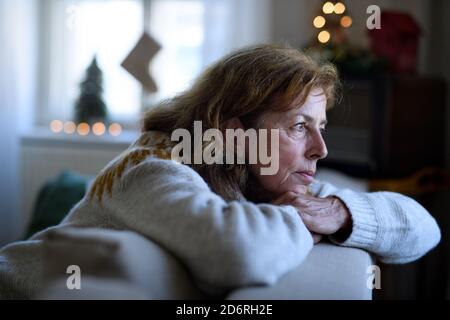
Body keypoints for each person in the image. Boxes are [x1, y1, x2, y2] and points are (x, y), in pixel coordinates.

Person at [0, 44, 441, 298]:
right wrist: (300, 218)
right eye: (300, 127)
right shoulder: (152, 169)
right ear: (235, 135)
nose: (320, 149)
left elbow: (425, 230)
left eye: (320, 128)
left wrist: (340, 213)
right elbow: (236, 253)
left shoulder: (264, 178)